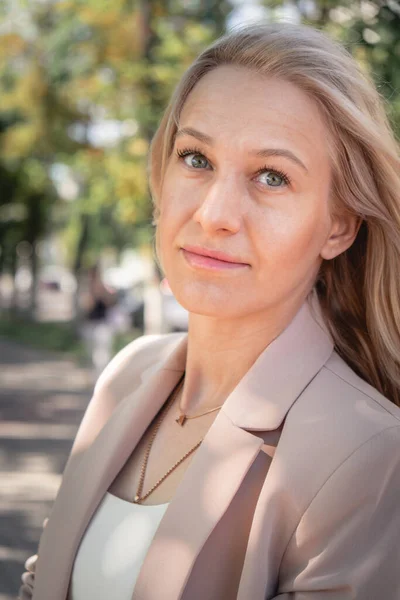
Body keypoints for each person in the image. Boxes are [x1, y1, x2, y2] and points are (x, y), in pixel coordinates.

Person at [19, 22, 400, 600]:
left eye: (272, 176)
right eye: (196, 158)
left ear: (339, 225)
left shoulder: (367, 452)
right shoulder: (126, 377)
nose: (214, 213)